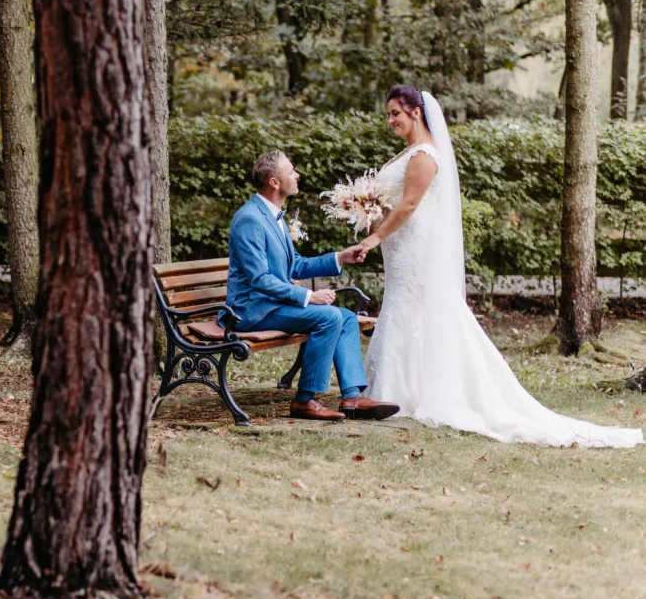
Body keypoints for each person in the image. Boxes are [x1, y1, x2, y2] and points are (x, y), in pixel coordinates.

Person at [357, 85, 643, 448]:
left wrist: (374, 237)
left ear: (416, 112)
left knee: (420, 309)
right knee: (404, 307)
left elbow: (410, 204)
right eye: (388, 114)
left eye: (395, 113)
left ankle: (416, 391)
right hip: (401, 247)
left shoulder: (425, 155)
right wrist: (365, 211)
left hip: (415, 245)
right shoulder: (409, 151)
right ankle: (393, 389)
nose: (390, 120)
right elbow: (393, 201)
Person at [224, 151, 400, 421]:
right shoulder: (250, 218)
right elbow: (259, 279)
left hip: (273, 305)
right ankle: (304, 400)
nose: (297, 175)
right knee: (328, 317)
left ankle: (352, 396)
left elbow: (295, 265)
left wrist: (340, 257)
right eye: (291, 171)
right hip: (251, 310)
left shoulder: (273, 216)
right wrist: (308, 296)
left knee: (346, 317)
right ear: (274, 182)